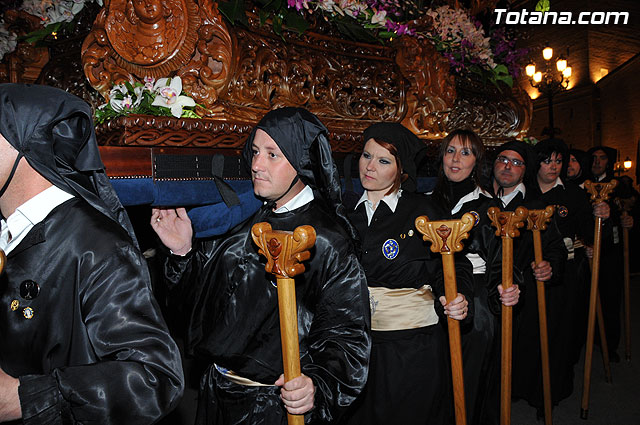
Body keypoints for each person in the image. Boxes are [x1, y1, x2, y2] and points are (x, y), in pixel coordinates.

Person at [152, 107, 371, 424]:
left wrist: (317, 384)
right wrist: (182, 252)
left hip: (271, 407)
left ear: (301, 162)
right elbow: (197, 308)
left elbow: (347, 337)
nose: (256, 165)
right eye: (255, 152)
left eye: (272, 155)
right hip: (215, 394)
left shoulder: (325, 240)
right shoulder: (242, 222)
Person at [0, 83, 184, 424]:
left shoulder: (97, 245)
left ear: (22, 145)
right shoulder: (9, 231)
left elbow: (155, 378)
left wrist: (25, 399)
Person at [344, 122, 472, 425]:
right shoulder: (344, 213)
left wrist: (458, 296)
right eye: (366, 156)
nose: (370, 167)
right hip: (355, 345)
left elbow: (454, 265)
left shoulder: (423, 211)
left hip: (411, 346)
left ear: (402, 171)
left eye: (383, 160)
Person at [430, 129, 519, 425]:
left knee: (468, 384)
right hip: (430, 297)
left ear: (477, 162)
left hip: (475, 303)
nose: (456, 159)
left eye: (465, 153)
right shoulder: (425, 203)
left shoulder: (488, 207)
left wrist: (509, 288)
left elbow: (501, 263)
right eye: (451, 151)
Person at [490, 140, 567, 418]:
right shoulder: (482, 200)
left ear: (525, 170)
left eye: (517, 162)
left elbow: (555, 247)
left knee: (528, 352)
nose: (508, 167)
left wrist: (550, 266)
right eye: (503, 159)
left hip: (527, 295)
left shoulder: (536, 206)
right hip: (489, 294)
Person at [532, 139, 610, 406]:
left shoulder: (574, 195)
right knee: (532, 332)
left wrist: (601, 216)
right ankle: (530, 386)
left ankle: (555, 388)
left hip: (566, 274)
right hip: (530, 275)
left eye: (558, 161)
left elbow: (589, 234)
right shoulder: (524, 192)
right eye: (547, 160)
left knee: (561, 331)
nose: (553, 166)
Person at [586, 146, 634, 362]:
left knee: (610, 298)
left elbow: (633, 209)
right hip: (588, 251)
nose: (597, 162)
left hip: (611, 252)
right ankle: (589, 339)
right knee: (586, 298)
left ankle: (610, 344)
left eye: (602, 158)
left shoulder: (619, 188)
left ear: (609, 162)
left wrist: (630, 221)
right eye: (594, 158)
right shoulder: (582, 185)